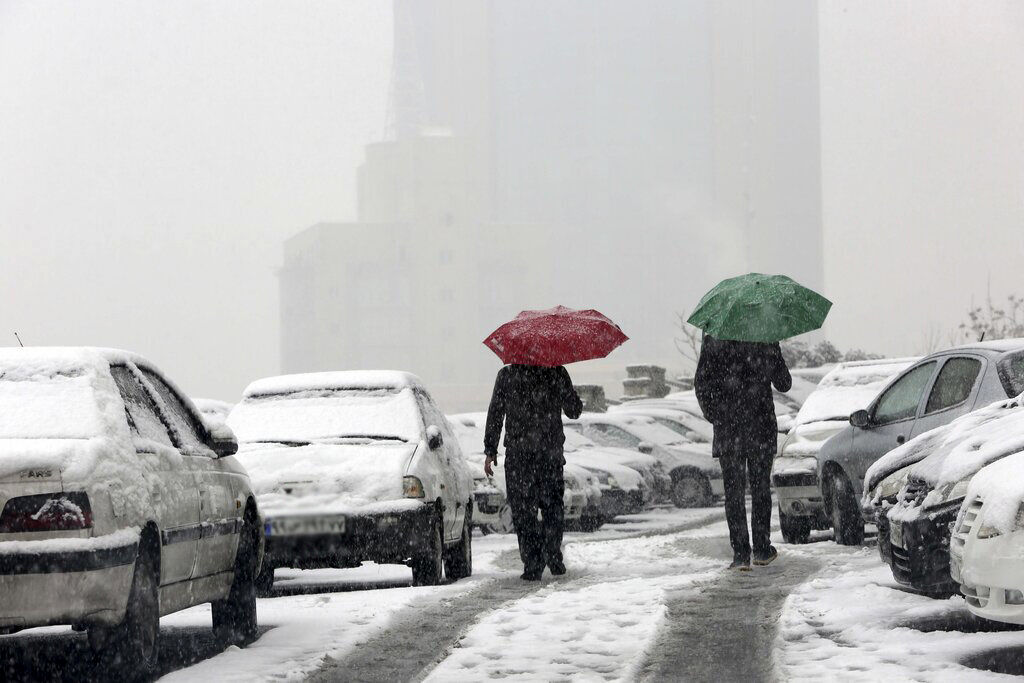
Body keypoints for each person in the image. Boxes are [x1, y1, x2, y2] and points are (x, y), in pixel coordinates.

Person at [694, 334, 792, 570]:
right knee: (760, 490)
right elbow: (784, 383)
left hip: (729, 431)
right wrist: (773, 353)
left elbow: (701, 385)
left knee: (734, 494)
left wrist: (717, 415)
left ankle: (740, 554)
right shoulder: (765, 339)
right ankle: (761, 549)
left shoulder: (714, 340)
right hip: (760, 428)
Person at [483, 364, 583, 580]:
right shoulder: (556, 372)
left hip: (520, 457)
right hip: (549, 454)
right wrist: (570, 394)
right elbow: (574, 411)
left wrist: (491, 449)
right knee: (552, 507)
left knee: (523, 511)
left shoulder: (508, 375)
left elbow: (496, 412)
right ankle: (553, 555)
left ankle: (533, 563)